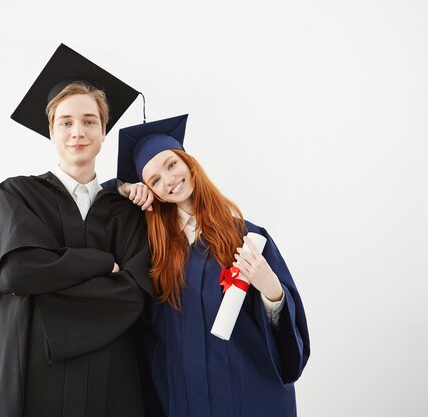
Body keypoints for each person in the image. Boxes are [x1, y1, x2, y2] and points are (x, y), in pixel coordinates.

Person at [0, 44, 153, 417]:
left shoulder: (128, 211)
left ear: (104, 131)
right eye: (66, 122)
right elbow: (18, 272)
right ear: (50, 130)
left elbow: (135, 296)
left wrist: (47, 288)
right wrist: (103, 263)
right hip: (31, 371)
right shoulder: (16, 195)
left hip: (111, 376)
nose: (78, 132)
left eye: (89, 121)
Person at [116, 114, 310, 417]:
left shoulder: (247, 237)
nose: (169, 179)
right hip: (182, 398)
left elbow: (287, 343)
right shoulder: (153, 252)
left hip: (248, 394)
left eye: (172, 165)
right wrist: (124, 189)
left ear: (189, 164)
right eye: (153, 180)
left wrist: (271, 289)